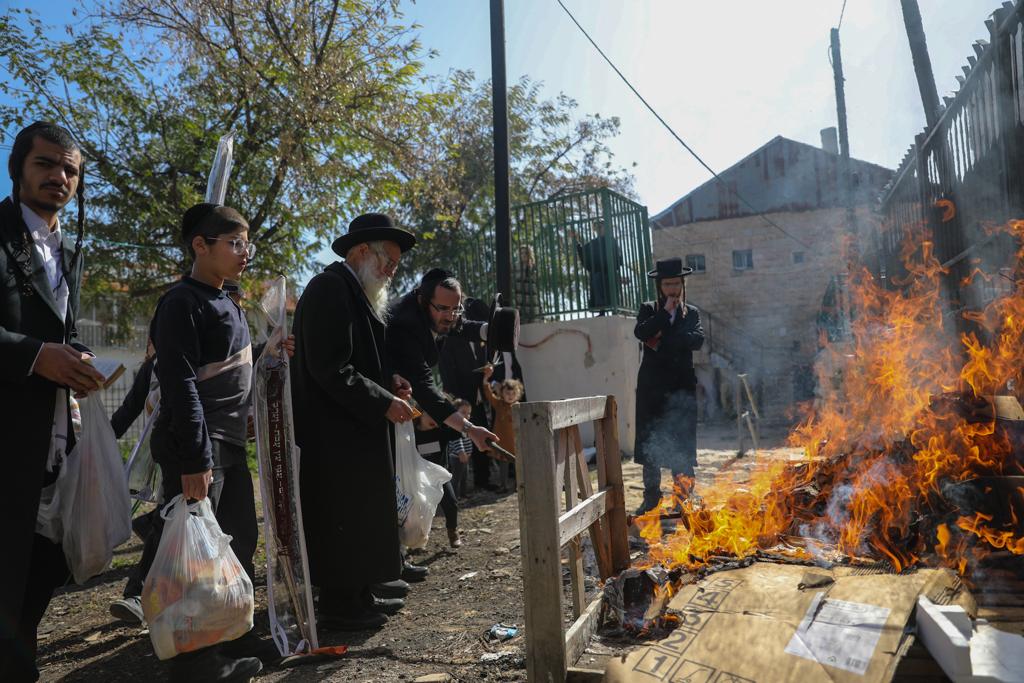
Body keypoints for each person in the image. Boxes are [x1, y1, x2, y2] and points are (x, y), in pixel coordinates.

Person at [0, 121, 106, 682]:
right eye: (45, 164)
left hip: (53, 443)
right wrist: (35, 356)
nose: (59, 177)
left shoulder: (68, 249)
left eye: (70, 169)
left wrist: (76, 358)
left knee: (42, 569)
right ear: (17, 167)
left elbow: (56, 328)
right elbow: (33, 342)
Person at [145, 202, 268, 680]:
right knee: (193, 558)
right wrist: (196, 458)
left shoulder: (228, 301)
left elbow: (231, 368)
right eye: (234, 243)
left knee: (237, 540)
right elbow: (181, 384)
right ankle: (193, 660)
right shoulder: (181, 303)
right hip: (196, 447)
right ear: (200, 245)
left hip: (229, 445)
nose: (244, 253)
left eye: (246, 244)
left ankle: (234, 636)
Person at [290, 213, 418, 632]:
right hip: (333, 436)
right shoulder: (329, 288)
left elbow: (360, 360)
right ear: (362, 251)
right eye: (388, 261)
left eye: (395, 264)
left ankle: (360, 593)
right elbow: (330, 367)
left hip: (355, 429)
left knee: (361, 512)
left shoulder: (354, 290)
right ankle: (340, 605)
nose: (391, 271)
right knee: (342, 516)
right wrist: (382, 401)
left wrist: (389, 382)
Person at [385, 270, 500, 487]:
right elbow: (425, 388)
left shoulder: (442, 313)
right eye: (444, 309)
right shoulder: (405, 325)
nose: (451, 316)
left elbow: (459, 325)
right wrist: (471, 430)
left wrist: (488, 330)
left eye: (456, 308)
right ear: (423, 301)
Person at [633, 257, 705, 515]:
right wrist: (664, 315)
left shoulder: (691, 313)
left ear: (682, 284)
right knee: (651, 444)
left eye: (676, 284)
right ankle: (651, 498)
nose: (672, 289)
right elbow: (641, 333)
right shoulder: (649, 309)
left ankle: (683, 496)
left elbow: (697, 340)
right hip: (652, 390)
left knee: (682, 444)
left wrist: (665, 339)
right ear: (659, 286)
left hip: (681, 390)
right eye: (667, 284)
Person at [413, 410, 461, 548]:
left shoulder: (442, 431)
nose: (434, 419)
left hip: (439, 476)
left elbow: (458, 433)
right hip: (419, 477)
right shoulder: (411, 433)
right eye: (430, 414)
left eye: (437, 415)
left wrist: (450, 417)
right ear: (421, 413)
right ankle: (417, 538)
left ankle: (452, 531)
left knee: (451, 503)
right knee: (418, 508)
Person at [481, 365, 523, 491]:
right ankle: (503, 485)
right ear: (502, 393)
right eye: (507, 393)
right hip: (502, 442)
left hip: (515, 443)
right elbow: (488, 394)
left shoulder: (519, 407)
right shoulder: (499, 404)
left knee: (518, 465)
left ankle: (519, 485)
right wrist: (486, 379)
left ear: (518, 394)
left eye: (513, 393)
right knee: (503, 465)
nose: (510, 396)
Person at [569, 220, 624, 312]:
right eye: (598, 228)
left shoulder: (612, 241)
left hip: (610, 272)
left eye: (601, 227)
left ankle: (614, 310)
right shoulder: (594, 243)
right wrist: (575, 240)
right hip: (597, 273)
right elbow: (583, 253)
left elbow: (618, 257)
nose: (599, 230)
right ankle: (601, 310)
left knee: (611, 292)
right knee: (597, 284)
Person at [446, 399, 474, 499]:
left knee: (464, 476)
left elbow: (467, 439)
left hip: (465, 456)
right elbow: (457, 440)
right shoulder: (455, 426)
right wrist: (461, 452)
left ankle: (463, 493)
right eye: (463, 412)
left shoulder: (466, 425)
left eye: (469, 413)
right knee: (456, 477)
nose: (467, 415)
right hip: (457, 457)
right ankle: (455, 496)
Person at [514, 244, 541, 323]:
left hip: (532, 298)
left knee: (534, 321)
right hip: (521, 298)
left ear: (529, 254)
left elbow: (535, 281)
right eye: (522, 253)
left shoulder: (533, 266)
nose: (524, 255)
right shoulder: (516, 266)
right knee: (522, 321)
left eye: (525, 253)